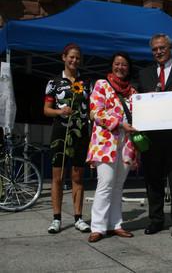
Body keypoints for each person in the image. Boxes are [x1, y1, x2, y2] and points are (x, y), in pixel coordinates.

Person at [138, 33, 172, 237]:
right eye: (155, 49)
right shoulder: (144, 74)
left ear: (170, 48)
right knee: (153, 178)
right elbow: (140, 102)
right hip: (151, 135)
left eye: (162, 48)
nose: (158, 52)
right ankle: (156, 219)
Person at [86, 51, 140, 243]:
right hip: (105, 142)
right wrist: (119, 124)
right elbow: (96, 112)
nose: (120, 67)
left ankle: (115, 225)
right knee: (105, 183)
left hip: (127, 143)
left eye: (124, 64)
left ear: (128, 69)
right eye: (117, 64)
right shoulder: (102, 85)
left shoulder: (133, 93)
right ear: (112, 66)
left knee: (118, 186)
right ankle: (98, 227)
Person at [44, 43, 92, 233]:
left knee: (77, 177)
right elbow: (46, 110)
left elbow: (91, 109)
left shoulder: (87, 83)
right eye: (71, 57)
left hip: (80, 133)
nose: (74, 60)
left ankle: (79, 218)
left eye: (78, 57)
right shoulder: (53, 83)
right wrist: (60, 110)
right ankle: (56, 219)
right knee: (57, 178)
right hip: (60, 133)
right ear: (64, 57)